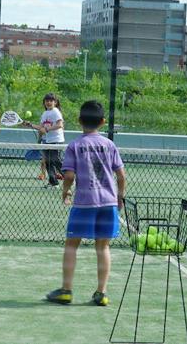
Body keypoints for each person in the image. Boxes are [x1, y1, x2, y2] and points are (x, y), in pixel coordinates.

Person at [46, 100, 126, 306]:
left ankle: (66, 290)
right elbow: (121, 175)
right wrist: (120, 196)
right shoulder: (110, 144)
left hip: (84, 203)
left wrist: (65, 191)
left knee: (72, 245)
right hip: (108, 204)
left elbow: (70, 175)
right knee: (103, 247)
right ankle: (102, 293)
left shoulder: (75, 145)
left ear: (80, 120)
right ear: (103, 121)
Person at [25, 93, 65, 188]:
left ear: (55, 102)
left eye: (51, 101)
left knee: (55, 160)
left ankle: (69, 177)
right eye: (47, 101)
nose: (49, 102)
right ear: (44, 103)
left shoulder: (56, 112)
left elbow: (60, 125)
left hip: (56, 140)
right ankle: (53, 183)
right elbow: (41, 127)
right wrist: (30, 125)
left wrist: (47, 129)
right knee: (48, 162)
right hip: (47, 141)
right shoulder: (45, 113)